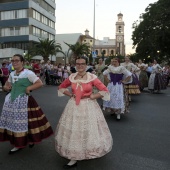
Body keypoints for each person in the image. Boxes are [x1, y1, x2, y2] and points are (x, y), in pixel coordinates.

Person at [55, 57, 112, 169]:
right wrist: (70, 94)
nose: (80, 66)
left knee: (88, 129)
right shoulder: (71, 77)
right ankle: (73, 156)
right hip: (73, 106)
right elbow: (61, 87)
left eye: (82, 64)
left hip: (88, 105)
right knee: (75, 128)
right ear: (75, 65)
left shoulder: (92, 77)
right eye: (78, 64)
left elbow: (105, 90)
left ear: (86, 65)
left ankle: (87, 150)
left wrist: (93, 96)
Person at [0, 54, 53, 154]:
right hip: (11, 101)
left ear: (22, 62)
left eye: (17, 60)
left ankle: (28, 140)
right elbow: (7, 85)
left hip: (24, 101)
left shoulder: (28, 73)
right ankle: (18, 143)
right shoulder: (12, 74)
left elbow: (39, 83)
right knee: (15, 122)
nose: (14, 62)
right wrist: (6, 88)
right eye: (13, 60)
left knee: (28, 122)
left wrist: (28, 88)